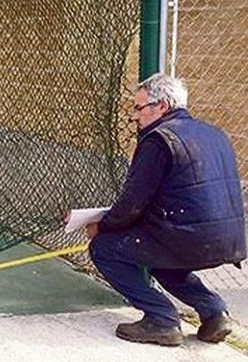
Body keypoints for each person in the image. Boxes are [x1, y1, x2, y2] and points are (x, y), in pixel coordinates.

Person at [86, 73, 245, 347]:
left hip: (187, 235)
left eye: (139, 108)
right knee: (161, 257)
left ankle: (162, 320)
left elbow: (132, 203)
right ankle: (215, 312)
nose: (135, 116)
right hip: (229, 238)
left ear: (163, 106)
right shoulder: (215, 134)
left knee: (103, 247)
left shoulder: (159, 140)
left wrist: (103, 225)